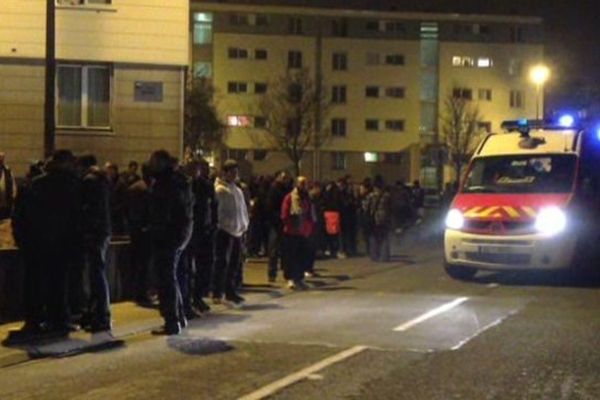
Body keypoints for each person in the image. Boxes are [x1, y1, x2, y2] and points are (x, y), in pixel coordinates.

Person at [148, 150, 193, 335]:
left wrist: (156, 230)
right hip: (179, 234)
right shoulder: (179, 182)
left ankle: (172, 320)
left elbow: (164, 212)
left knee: (166, 278)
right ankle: (179, 316)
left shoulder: (165, 184)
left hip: (168, 235)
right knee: (171, 276)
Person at [6, 162, 45, 343]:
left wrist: (20, 237)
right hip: (42, 243)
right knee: (40, 282)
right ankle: (39, 318)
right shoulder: (43, 192)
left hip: (30, 243)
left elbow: (18, 216)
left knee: (31, 283)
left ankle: (33, 319)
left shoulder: (27, 190)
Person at [78, 155, 112, 332]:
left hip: (94, 233)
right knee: (97, 273)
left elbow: (88, 210)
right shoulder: (101, 180)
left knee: (95, 275)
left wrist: (85, 230)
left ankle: (100, 314)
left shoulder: (90, 181)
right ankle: (97, 313)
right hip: (102, 231)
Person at [181, 158, 215, 317]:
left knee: (203, 266)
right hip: (190, 232)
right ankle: (187, 300)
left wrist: (212, 225)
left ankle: (198, 296)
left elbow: (213, 207)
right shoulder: (186, 186)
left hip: (204, 230)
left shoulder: (205, 186)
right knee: (188, 268)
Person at [212, 160, 249, 307]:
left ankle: (230, 291)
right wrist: (224, 225)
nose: (234, 175)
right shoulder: (220, 190)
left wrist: (244, 225)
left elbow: (242, 210)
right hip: (225, 231)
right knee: (222, 263)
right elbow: (219, 212)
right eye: (232, 172)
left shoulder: (237, 190)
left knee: (234, 263)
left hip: (237, 231)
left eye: (236, 172)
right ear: (225, 172)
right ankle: (217, 292)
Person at [126, 163, 154, 305]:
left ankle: (138, 293)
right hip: (144, 231)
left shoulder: (135, 188)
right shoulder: (145, 189)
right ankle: (141, 294)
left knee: (139, 263)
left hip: (137, 230)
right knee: (143, 264)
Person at [281, 176, 316, 289]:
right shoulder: (290, 197)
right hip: (291, 231)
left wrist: (309, 226)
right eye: (301, 183)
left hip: (303, 231)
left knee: (302, 256)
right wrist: (290, 224)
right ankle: (290, 278)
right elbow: (285, 214)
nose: (303, 186)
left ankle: (299, 278)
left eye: (305, 184)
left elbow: (310, 213)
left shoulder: (306, 198)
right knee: (290, 256)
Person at [265, 171, 291, 282]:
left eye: (287, 178)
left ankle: (286, 272)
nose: (285, 179)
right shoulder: (274, 189)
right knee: (274, 249)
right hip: (276, 223)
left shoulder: (287, 189)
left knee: (285, 249)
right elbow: (270, 207)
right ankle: (272, 273)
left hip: (284, 223)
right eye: (283, 177)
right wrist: (277, 218)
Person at [364, 175, 392, 262]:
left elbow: (365, 207)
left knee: (373, 237)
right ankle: (385, 256)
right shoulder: (387, 195)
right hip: (384, 218)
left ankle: (374, 255)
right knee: (384, 237)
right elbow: (390, 207)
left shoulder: (370, 196)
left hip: (374, 219)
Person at [0, 152, 16, 220]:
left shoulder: (7, 171)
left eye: (1, 160)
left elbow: (13, 184)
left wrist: (13, 196)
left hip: (5, 203)